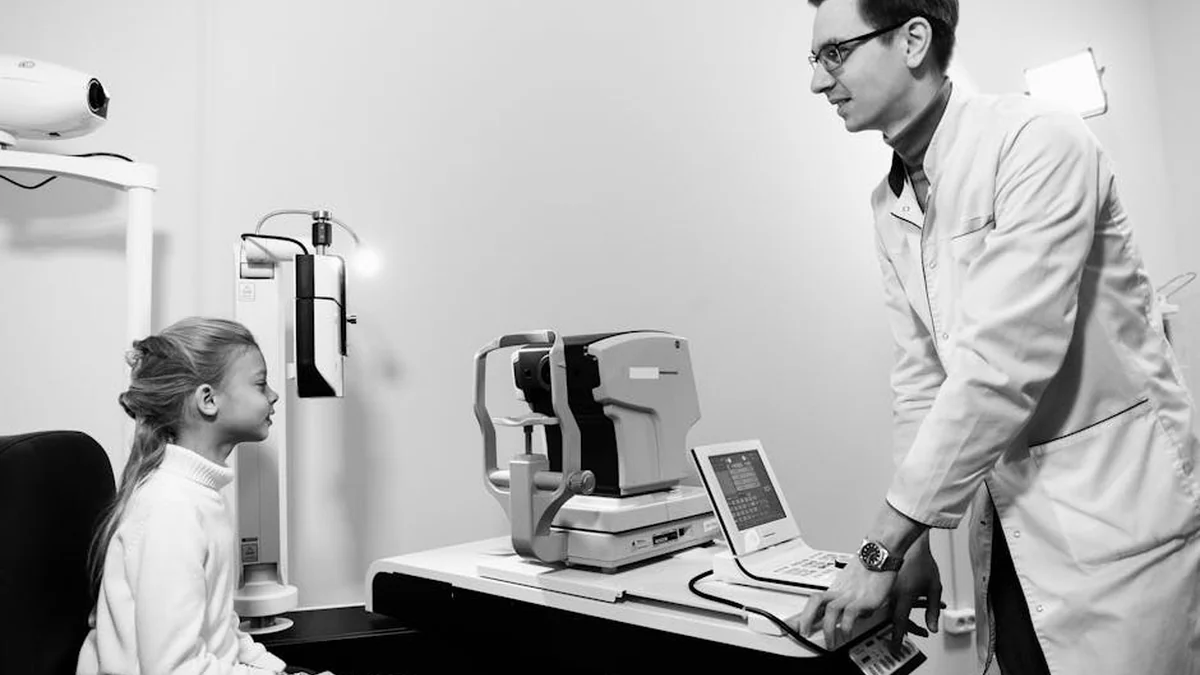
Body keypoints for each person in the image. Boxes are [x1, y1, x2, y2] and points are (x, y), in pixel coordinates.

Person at [795, 1, 1200, 673]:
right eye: (817, 59)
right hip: (1015, 535)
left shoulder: (1037, 139)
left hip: (1119, 526)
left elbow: (1003, 362)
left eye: (835, 53)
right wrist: (914, 545)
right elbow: (922, 379)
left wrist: (880, 547)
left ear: (913, 40)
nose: (818, 81)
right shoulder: (889, 203)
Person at [77, 317, 324, 674]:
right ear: (208, 399)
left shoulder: (199, 496)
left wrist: (282, 670)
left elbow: (220, 629)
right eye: (260, 383)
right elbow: (174, 669)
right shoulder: (170, 508)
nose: (273, 395)